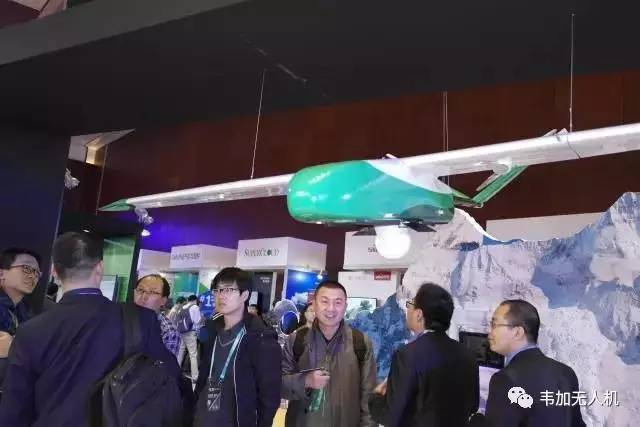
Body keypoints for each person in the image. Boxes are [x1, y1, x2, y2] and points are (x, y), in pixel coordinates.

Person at [0, 232, 180, 426]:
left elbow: (14, 412)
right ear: (100, 268)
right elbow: (171, 380)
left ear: (54, 272)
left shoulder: (31, 331)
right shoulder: (141, 320)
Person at [368, 283, 479, 426]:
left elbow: (392, 417)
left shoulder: (407, 355)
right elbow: (473, 406)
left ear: (419, 314)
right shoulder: (468, 356)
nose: (407, 310)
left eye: (410, 304)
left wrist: (376, 397)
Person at [282, 280, 377, 427]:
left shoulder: (360, 343)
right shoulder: (296, 340)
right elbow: (278, 385)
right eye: (325, 301)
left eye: (338, 302)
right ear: (314, 305)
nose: (331, 309)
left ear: (345, 306)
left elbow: (368, 397)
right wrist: (305, 381)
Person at [194, 267, 281, 426]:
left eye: (228, 290)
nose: (221, 295)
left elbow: (269, 396)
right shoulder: (211, 330)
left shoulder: (261, 338)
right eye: (217, 290)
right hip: (202, 418)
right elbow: (203, 377)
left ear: (244, 295)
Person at [484, 300, 586, 427]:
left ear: (517, 332)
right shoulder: (566, 372)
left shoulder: (505, 379)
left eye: (494, 325)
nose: (489, 332)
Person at [0, 248, 41, 390]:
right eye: (26, 268)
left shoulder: (25, 311)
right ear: (1, 273)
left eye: (37, 272)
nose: (33, 276)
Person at [134, 274, 182, 357]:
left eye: (152, 292)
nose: (143, 297)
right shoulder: (120, 318)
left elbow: (163, 364)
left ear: (163, 300)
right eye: (140, 290)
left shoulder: (168, 332)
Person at [177, 294, 203, 383]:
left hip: (182, 332)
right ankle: (195, 377)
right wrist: (202, 317)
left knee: (180, 353)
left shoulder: (183, 307)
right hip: (190, 333)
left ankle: (175, 371)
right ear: (195, 300)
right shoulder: (195, 307)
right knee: (193, 355)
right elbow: (197, 321)